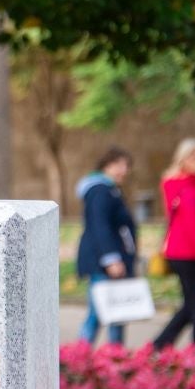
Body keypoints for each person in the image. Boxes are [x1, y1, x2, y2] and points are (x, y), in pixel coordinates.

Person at [152, 137, 195, 350]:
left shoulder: (177, 185)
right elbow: (192, 227)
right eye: (194, 157)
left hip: (177, 251)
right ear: (182, 159)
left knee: (190, 304)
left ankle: (160, 344)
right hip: (185, 251)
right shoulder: (188, 190)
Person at [73, 147, 138, 346]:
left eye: (126, 166)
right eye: (118, 165)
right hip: (104, 263)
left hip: (110, 262)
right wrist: (112, 259)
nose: (123, 170)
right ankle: (80, 359)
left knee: (113, 313)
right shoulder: (101, 191)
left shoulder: (110, 189)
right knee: (98, 313)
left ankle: (112, 359)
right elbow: (100, 227)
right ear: (106, 166)